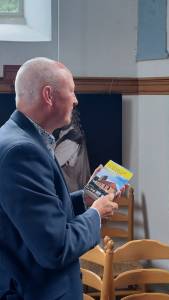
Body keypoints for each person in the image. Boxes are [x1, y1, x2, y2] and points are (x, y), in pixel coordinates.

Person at [0, 57, 119, 300]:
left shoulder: (17, 137)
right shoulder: (23, 151)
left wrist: (85, 198)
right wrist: (96, 213)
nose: (76, 100)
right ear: (49, 95)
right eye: (72, 91)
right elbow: (55, 249)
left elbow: (37, 215)